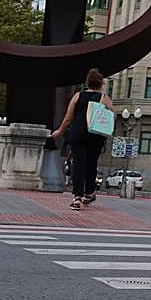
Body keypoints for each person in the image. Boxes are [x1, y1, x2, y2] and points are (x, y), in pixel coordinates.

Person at [49, 67, 113, 210]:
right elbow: (112, 116)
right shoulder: (104, 99)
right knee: (91, 164)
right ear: (101, 84)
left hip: (77, 133)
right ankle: (89, 193)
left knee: (78, 164)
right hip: (95, 135)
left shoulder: (78, 96)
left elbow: (68, 117)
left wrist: (59, 131)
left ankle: (77, 197)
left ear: (87, 83)